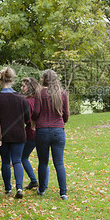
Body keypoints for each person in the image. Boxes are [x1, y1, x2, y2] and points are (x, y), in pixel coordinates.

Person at [32, 69, 69, 200]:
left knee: (43, 162)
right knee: (59, 163)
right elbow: (66, 115)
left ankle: (41, 190)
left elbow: (36, 112)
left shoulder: (39, 93)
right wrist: (60, 123)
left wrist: (35, 120)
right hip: (58, 130)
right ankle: (63, 192)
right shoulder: (62, 93)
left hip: (42, 130)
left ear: (44, 79)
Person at [0, 67, 30, 199]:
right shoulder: (21, 98)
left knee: (5, 162)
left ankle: (8, 188)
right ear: (12, 80)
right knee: (17, 161)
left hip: (2, 135)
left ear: (0, 80)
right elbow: (28, 118)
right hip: (18, 134)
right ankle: (19, 187)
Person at [20, 77, 41, 190]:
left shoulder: (27, 101)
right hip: (41, 130)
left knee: (23, 157)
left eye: (24, 86)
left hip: (31, 132)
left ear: (30, 87)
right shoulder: (39, 99)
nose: (21, 88)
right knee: (43, 160)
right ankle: (44, 184)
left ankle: (33, 180)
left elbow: (27, 119)